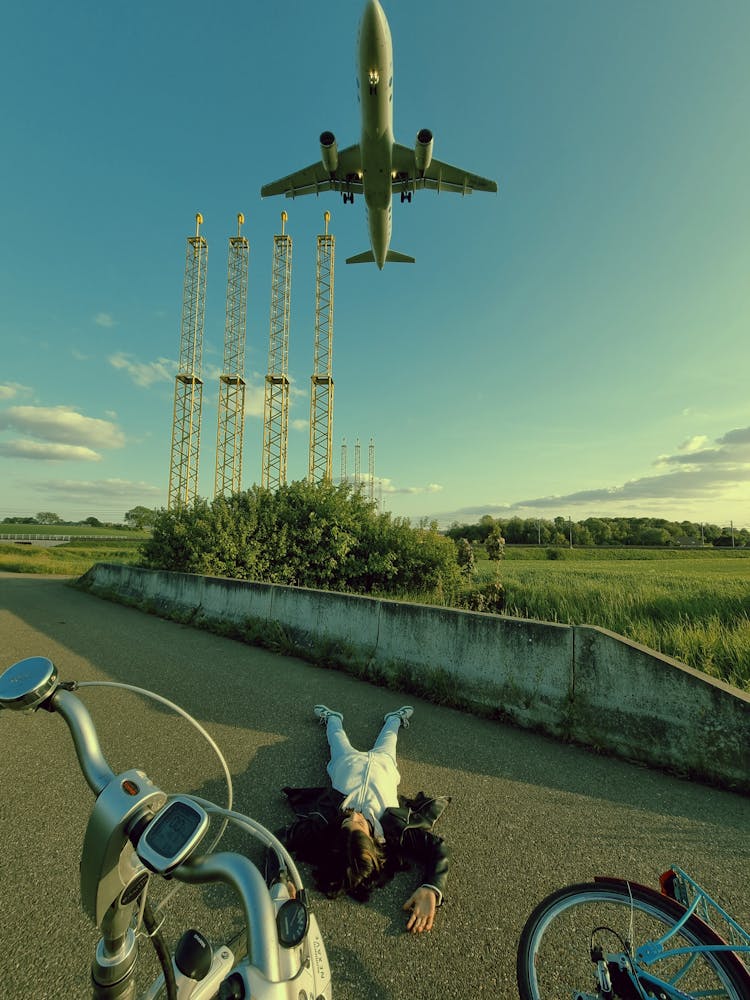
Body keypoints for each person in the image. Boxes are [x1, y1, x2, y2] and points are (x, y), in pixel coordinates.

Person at [277, 704, 450, 934]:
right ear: (374, 841)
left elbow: (275, 840)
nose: (354, 816)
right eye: (359, 825)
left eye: (347, 822)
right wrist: (432, 887)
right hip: (384, 764)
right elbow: (437, 848)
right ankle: (395, 717)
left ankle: (332, 717)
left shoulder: (327, 822)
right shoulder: (393, 831)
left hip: (345, 761)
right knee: (390, 735)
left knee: (336, 737)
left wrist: (278, 879)